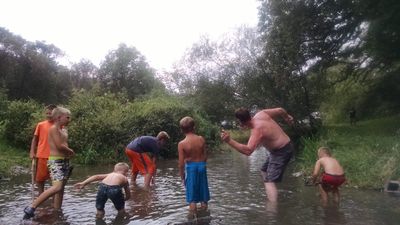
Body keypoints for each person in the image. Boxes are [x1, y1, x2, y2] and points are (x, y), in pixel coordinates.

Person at [220, 107, 294, 202]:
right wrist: (287, 117)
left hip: (282, 151)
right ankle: (271, 192)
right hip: (280, 149)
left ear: (240, 122)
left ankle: (272, 210)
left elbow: (248, 151)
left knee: (269, 181)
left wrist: (229, 141)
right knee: (264, 171)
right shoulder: (261, 114)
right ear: (249, 115)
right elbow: (280, 110)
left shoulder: (257, 131)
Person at [23, 107, 74, 219]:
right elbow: (59, 146)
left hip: (64, 160)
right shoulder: (53, 128)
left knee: (61, 188)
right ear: (59, 118)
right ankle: (32, 206)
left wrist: (65, 135)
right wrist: (71, 151)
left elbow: (64, 143)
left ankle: (57, 211)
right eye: (67, 117)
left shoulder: (62, 129)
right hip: (56, 160)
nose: (69, 119)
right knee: (56, 187)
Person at [178, 116, 210, 214]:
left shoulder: (182, 143)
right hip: (202, 166)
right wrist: (202, 164)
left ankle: (192, 218)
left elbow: (181, 163)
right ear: (194, 127)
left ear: (182, 130)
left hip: (191, 168)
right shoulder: (201, 139)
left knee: (192, 197)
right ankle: (205, 216)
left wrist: (182, 177)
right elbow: (205, 156)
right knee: (203, 195)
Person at [29, 104, 57, 195]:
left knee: (55, 179)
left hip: (55, 156)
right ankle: (41, 196)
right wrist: (32, 151)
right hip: (42, 155)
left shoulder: (59, 125)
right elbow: (35, 139)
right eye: (47, 113)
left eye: (51, 113)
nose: (49, 115)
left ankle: (53, 198)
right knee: (40, 179)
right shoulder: (40, 125)